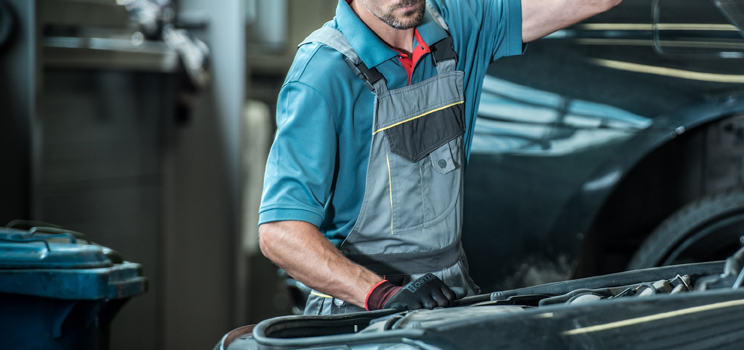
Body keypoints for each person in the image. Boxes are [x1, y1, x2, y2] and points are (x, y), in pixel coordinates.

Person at [257, 0, 620, 315]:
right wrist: (383, 295)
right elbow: (280, 233)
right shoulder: (321, 76)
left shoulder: (457, 27)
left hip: (449, 294)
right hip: (359, 308)